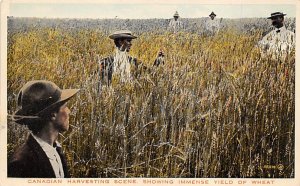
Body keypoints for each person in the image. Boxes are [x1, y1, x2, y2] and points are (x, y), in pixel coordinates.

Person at [8, 80, 79, 178]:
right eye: (65, 106)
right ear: (53, 114)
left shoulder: (55, 151)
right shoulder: (22, 163)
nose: (69, 111)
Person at [99, 30, 164, 85]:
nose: (131, 44)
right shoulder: (106, 62)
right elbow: (102, 83)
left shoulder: (133, 61)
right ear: (120, 42)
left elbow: (150, 72)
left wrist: (158, 61)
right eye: (128, 41)